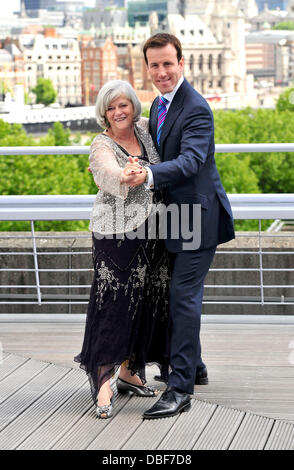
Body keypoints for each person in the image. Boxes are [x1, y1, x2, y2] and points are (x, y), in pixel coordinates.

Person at [122, 33, 235, 419]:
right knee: (178, 297)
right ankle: (196, 366)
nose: (161, 72)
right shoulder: (158, 105)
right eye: (154, 65)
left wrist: (147, 175)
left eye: (168, 63)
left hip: (199, 219)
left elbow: (189, 162)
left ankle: (180, 388)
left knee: (182, 301)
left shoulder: (197, 109)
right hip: (175, 220)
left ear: (182, 63)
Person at [74, 80, 170, 419]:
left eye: (124, 105)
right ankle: (103, 383)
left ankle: (130, 371)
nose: (118, 112)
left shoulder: (144, 130)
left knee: (143, 300)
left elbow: (168, 127)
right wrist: (125, 174)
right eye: (111, 107)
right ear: (104, 112)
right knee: (112, 305)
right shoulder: (101, 144)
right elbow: (105, 171)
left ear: (133, 108)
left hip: (150, 232)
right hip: (114, 235)